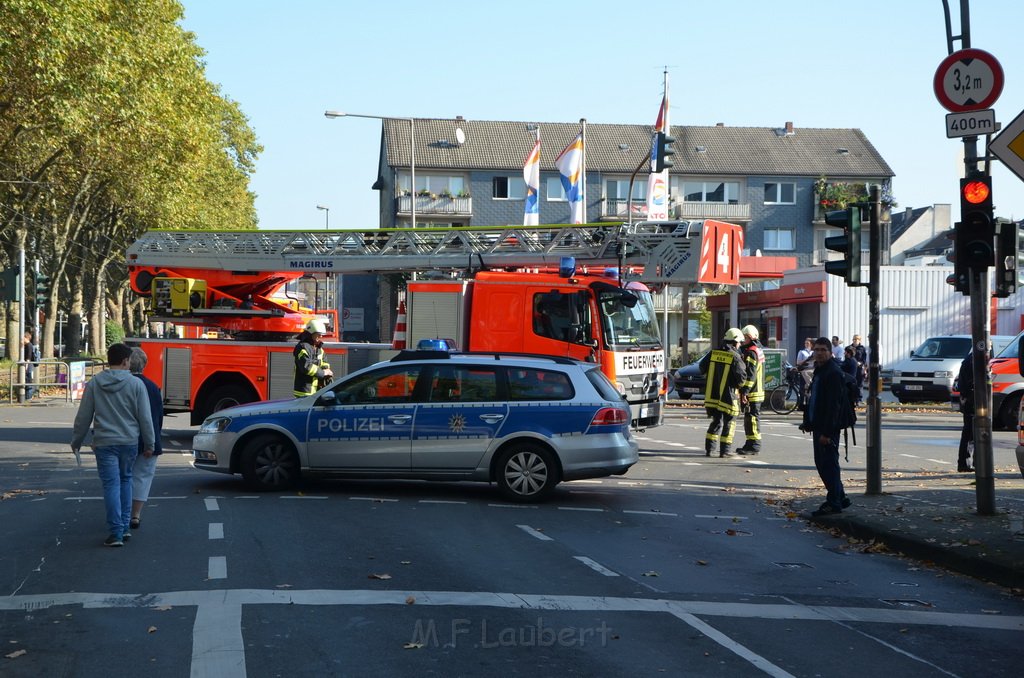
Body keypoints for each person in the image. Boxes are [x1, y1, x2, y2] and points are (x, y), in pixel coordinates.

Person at [70, 343, 155, 547]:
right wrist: (150, 443)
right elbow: (145, 417)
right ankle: (125, 526)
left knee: (111, 484)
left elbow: (84, 416)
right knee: (126, 480)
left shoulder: (96, 383)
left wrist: (77, 440)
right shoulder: (136, 385)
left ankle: (115, 531)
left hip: (104, 441)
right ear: (126, 361)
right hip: (129, 441)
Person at [800, 337, 850, 516]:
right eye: (817, 350)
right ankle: (840, 497)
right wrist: (808, 422)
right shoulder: (821, 370)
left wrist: (827, 433)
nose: (819, 353)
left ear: (830, 352)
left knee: (828, 464)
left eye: (823, 350)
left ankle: (834, 502)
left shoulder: (833, 372)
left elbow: (834, 407)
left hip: (827, 428)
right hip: (819, 425)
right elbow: (815, 400)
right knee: (824, 464)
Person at [129, 347, 163, 530]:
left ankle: (122, 512)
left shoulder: (123, 384)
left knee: (123, 476)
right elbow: (157, 417)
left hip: (124, 438)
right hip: (148, 440)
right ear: (145, 365)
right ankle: (135, 514)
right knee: (142, 476)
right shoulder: (152, 387)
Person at [699, 328, 747, 458]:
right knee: (729, 422)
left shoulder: (713, 353)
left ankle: (709, 449)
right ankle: (725, 451)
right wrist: (741, 388)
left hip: (712, 395)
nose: (740, 345)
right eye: (739, 342)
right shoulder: (735, 356)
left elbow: (701, 368)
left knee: (716, 422)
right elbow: (742, 378)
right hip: (728, 396)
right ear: (735, 342)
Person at [737, 324, 765, 456]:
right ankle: (749, 443)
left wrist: (745, 392)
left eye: (744, 338)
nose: (742, 341)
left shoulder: (751, 352)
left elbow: (750, 374)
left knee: (752, 419)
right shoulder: (756, 350)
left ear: (749, 337)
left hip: (753, 392)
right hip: (755, 391)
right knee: (749, 419)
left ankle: (754, 445)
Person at [293, 318, 333, 397]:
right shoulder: (302, 347)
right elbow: (307, 367)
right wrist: (323, 373)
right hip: (304, 392)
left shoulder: (319, 348)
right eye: (318, 334)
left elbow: (325, 363)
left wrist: (327, 371)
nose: (321, 336)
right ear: (311, 333)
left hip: (317, 392)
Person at [956, 352, 975, 473]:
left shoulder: (969, 359)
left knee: (969, 433)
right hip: (973, 400)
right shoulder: (975, 360)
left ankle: (965, 463)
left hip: (968, 399)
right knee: (970, 434)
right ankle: (965, 463)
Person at [22, 331, 38, 400]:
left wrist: (26, 367)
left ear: (26, 338)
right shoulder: (26, 345)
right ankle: (28, 396)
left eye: (23, 338)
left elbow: (28, 358)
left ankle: (29, 396)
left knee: (28, 380)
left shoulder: (29, 346)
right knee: (27, 380)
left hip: (29, 365)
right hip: (28, 365)